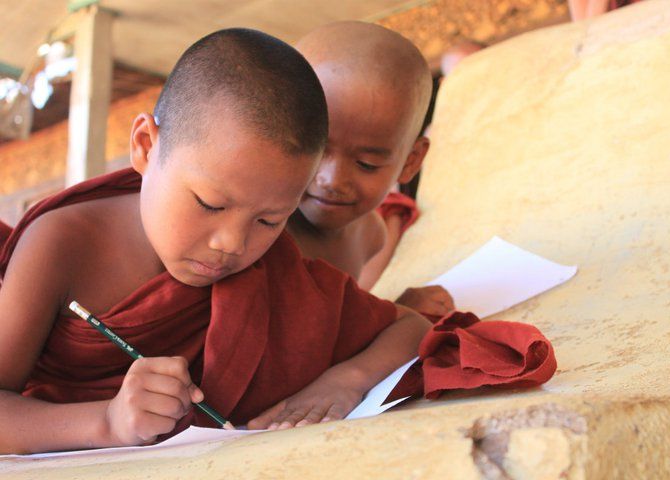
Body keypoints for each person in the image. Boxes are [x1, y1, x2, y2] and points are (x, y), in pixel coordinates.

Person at [0, 28, 429, 455]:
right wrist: (107, 422)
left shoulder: (279, 259)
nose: (231, 243)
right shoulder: (65, 244)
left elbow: (410, 327)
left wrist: (343, 382)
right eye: (209, 204)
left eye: (268, 220)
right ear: (146, 146)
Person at [288, 22, 455, 317]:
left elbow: (337, 320)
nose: (332, 180)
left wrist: (392, 311)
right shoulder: (255, 232)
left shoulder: (371, 237)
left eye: (367, 164)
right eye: (314, 149)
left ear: (410, 162)